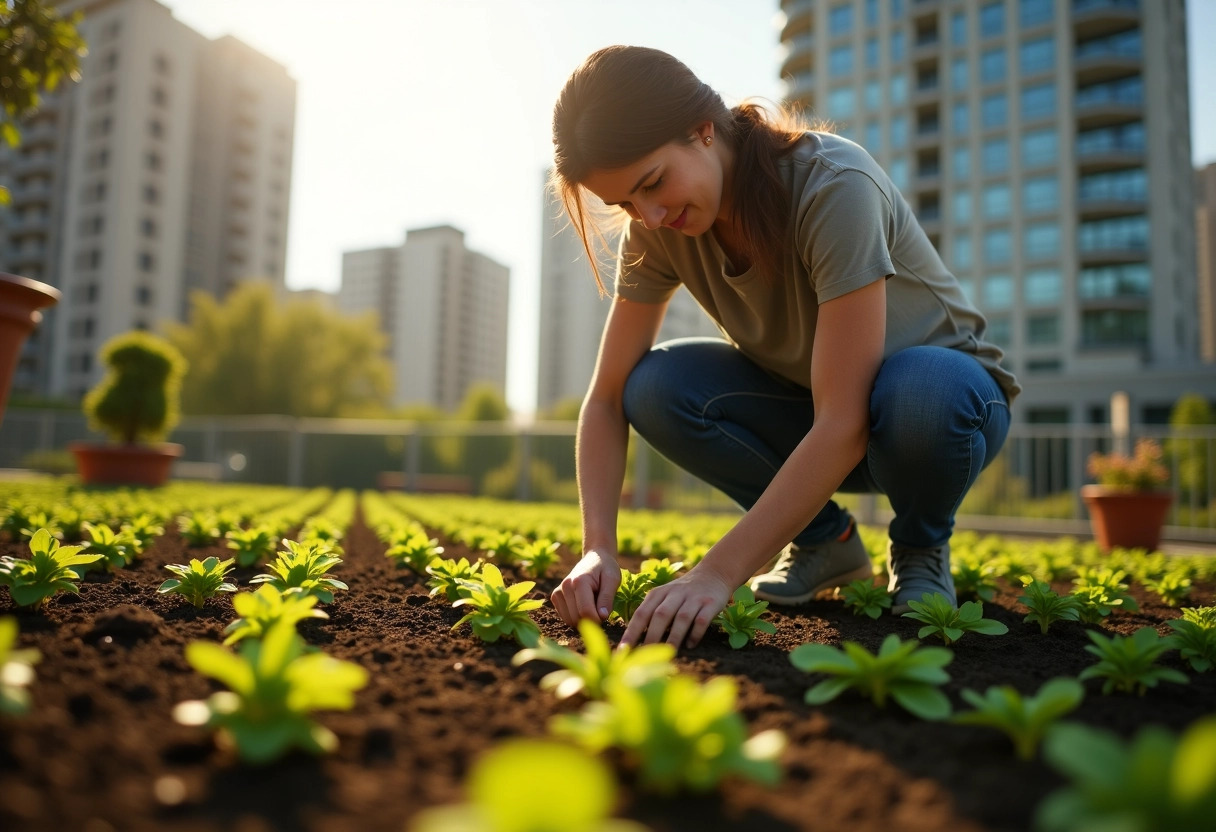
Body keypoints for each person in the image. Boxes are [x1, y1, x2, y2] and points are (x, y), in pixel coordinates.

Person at [547, 45, 1020, 651]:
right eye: (625, 204)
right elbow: (607, 400)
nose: (652, 214)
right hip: (819, 417)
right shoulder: (656, 230)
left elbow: (844, 420)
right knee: (655, 386)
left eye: (653, 183)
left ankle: (922, 546)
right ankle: (828, 545)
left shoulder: (834, 186)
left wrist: (717, 573)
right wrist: (597, 549)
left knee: (921, 388)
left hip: (945, 412)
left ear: (703, 130)